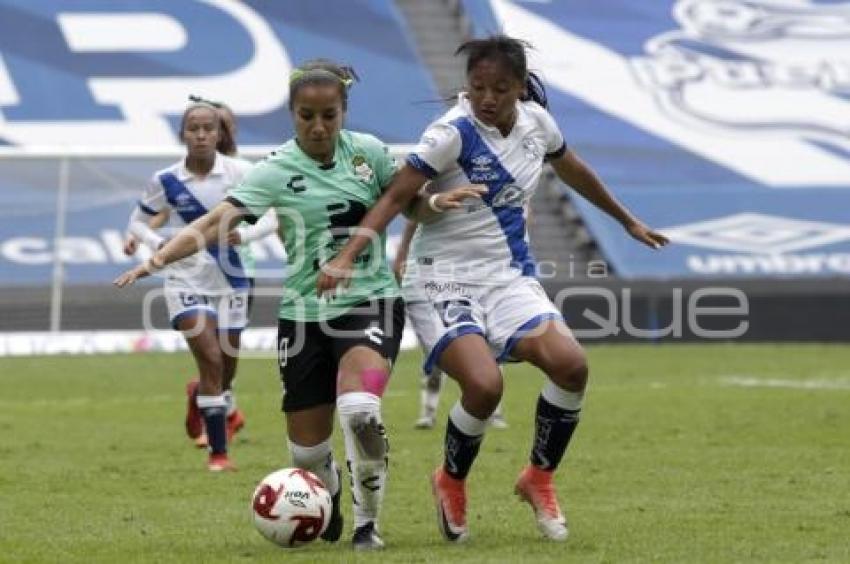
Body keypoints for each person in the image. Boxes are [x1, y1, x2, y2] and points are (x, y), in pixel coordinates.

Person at [114, 60, 481, 549]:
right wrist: (156, 258)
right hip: (303, 317)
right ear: (293, 115)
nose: (318, 126)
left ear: (343, 112)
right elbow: (215, 222)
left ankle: (367, 525)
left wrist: (433, 205)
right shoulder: (275, 170)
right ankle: (323, 497)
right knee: (306, 453)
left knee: (360, 409)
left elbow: (405, 201)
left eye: (329, 114)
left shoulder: (369, 153)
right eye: (307, 115)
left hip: (371, 301)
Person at [317, 35, 669, 543]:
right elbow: (398, 195)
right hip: (441, 276)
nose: (486, 98)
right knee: (484, 386)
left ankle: (538, 478)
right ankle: (451, 480)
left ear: (520, 88)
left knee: (572, 366)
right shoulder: (451, 133)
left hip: (508, 276)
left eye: (499, 89)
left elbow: (574, 169)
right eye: (477, 86)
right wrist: (348, 256)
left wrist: (628, 221)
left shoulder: (537, 125)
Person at [121, 97, 276, 470]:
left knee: (225, 369)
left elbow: (272, 216)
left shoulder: (241, 171)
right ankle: (219, 455)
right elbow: (138, 220)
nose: (202, 134)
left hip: (233, 279)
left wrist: (248, 236)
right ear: (183, 134)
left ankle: (202, 396)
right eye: (194, 128)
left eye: (209, 128)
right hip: (184, 279)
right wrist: (160, 245)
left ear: (220, 133)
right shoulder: (166, 180)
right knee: (209, 358)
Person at [393, 219, 507, 430]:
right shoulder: (439, 193)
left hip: (478, 276)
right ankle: (428, 412)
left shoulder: (495, 206)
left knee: (489, 345)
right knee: (438, 351)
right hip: (437, 277)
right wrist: (402, 256)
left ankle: (495, 411)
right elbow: (413, 220)